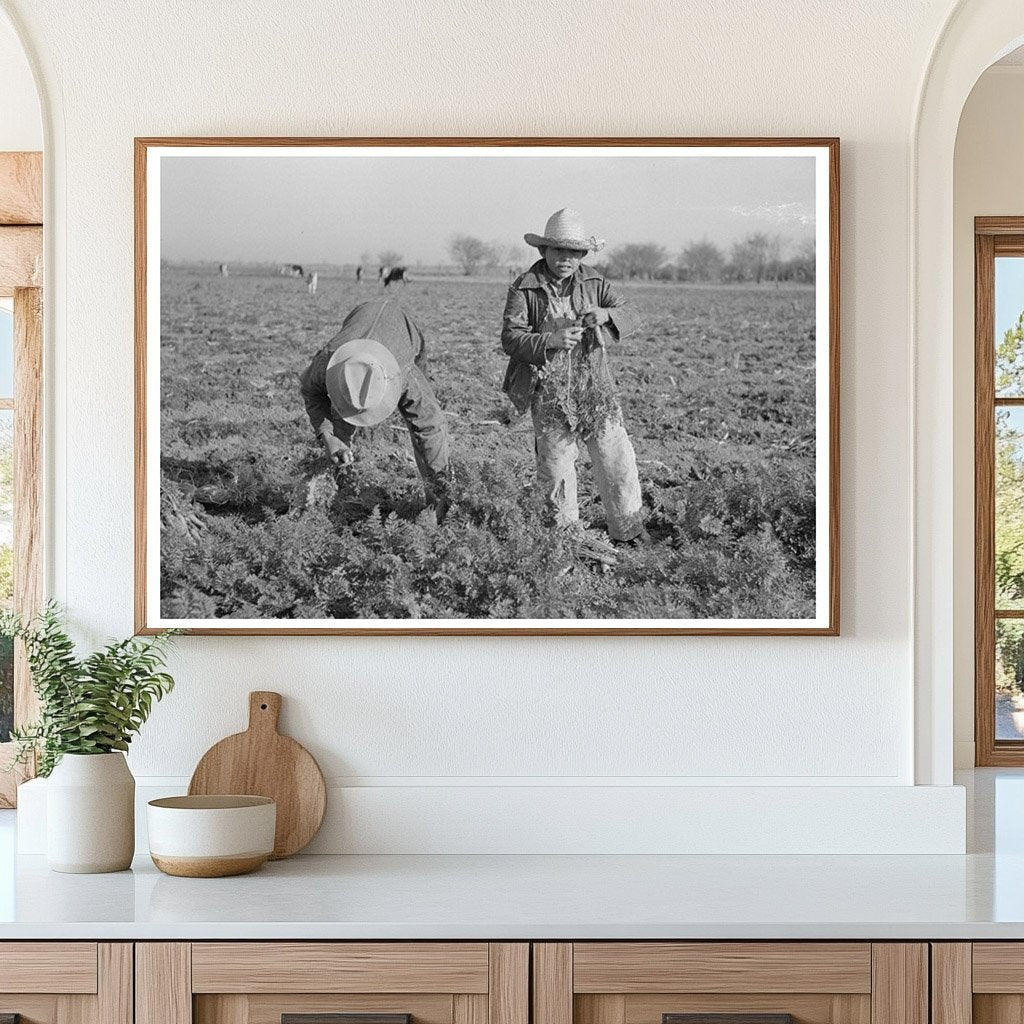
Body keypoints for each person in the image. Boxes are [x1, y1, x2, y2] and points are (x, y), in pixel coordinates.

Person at [501, 208, 647, 544]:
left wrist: (606, 313)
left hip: (595, 388)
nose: (566, 258)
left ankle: (628, 530)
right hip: (549, 391)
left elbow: (633, 313)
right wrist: (548, 340)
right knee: (555, 468)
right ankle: (564, 537)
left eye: (573, 252)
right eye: (558, 251)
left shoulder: (595, 283)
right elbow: (510, 337)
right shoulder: (525, 288)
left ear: (582, 255)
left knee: (616, 460)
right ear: (543, 251)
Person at [299, 299, 450, 508]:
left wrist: (439, 484)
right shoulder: (329, 361)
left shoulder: (403, 374)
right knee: (337, 424)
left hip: (404, 328)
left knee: (427, 416)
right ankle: (332, 488)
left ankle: (439, 501)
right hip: (362, 314)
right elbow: (310, 390)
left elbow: (430, 426)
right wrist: (327, 436)